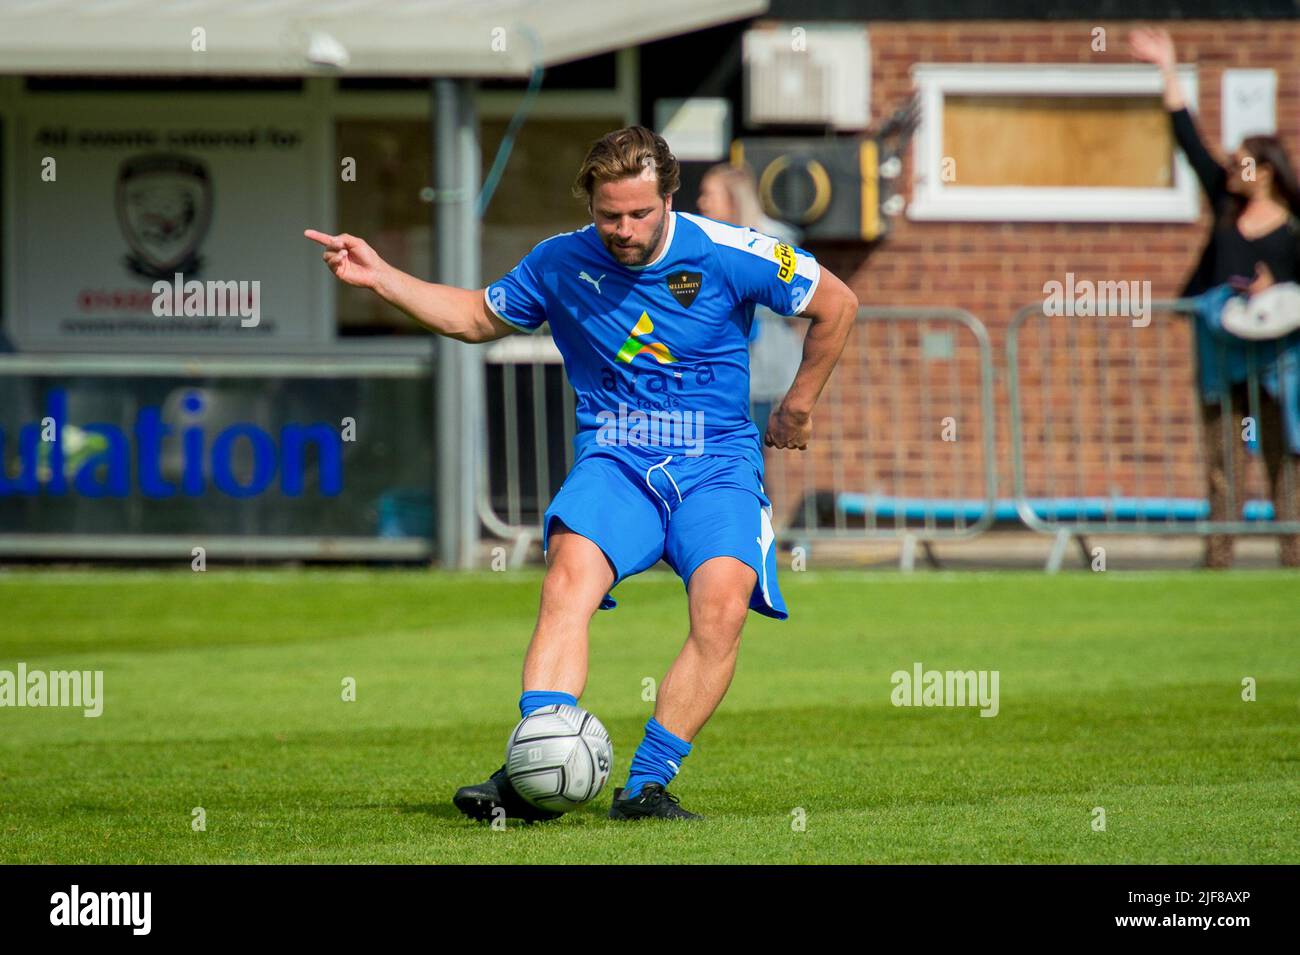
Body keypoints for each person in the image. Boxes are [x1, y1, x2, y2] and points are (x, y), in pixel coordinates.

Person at [306, 126, 858, 821]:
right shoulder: (558, 263)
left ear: (668, 199)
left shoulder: (728, 250)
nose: (622, 230)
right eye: (608, 216)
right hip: (617, 459)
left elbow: (836, 302)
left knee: (722, 607)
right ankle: (535, 768)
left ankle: (647, 785)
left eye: (638, 214)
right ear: (590, 205)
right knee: (568, 575)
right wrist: (381, 276)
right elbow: (478, 316)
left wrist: (799, 404)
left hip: (717, 463)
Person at [1131, 28, 1300, 568]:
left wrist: (1278, 288)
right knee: (1223, 456)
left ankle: (1293, 553)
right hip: (1221, 353)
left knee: (1284, 455)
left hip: (1280, 357)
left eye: (1243, 162)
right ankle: (1219, 558)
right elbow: (1187, 136)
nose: (1232, 169)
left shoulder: (1294, 229)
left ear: (1268, 170)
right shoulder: (1226, 207)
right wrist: (1167, 67)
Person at [696, 163, 807, 450]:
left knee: (743, 456)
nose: (701, 202)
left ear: (733, 199)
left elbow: (789, 304)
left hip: (759, 376)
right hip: (717, 380)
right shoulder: (703, 245)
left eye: (709, 194)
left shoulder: (773, 244)